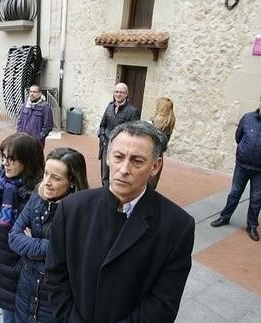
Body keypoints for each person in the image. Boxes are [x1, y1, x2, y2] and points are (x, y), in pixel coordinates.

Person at [46, 120, 195, 323]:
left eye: (137, 161)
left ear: (155, 166)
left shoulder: (177, 226)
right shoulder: (71, 209)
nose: (124, 169)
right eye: (118, 157)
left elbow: (162, 304)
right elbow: (56, 276)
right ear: (107, 157)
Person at [9, 148, 89, 323]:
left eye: (56, 178)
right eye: (46, 173)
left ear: (73, 182)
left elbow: (73, 252)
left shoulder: (82, 212)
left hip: (54, 298)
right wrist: (53, 246)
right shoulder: (36, 198)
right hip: (26, 289)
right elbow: (13, 237)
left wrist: (31, 244)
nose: (47, 182)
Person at [0, 133, 45, 323]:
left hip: (18, 273)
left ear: (28, 161)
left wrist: (21, 267)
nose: (5, 163)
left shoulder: (36, 197)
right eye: (4, 157)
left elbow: (38, 242)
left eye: (11, 159)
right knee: (7, 311)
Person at [210, 90, 261, 241]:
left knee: (256, 198)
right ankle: (225, 217)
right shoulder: (248, 118)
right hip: (242, 165)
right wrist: (244, 150)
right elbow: (239, 136)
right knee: (234, 193)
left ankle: (252, 226)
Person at [98, 83, 140, 186]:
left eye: (121, 92)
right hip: (106, 146)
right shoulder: (109, 107)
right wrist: (103, 138)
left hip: (122, 149)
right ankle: (106, 195)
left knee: (118, 174)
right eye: (116, 91)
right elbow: (102, 125)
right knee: (105, 175)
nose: (118, 94)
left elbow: (134, 133)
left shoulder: (133, 111)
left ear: (126, 94)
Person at [148, 97, 176, 189]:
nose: (156, 107)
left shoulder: (160, 123)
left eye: (158, 105)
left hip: (152, 155)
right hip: (158, 156)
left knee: (148, 185)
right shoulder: (169, 120)